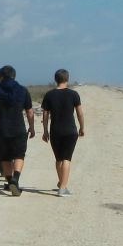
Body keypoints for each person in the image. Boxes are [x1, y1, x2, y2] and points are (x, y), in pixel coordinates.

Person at [0, 65, 35, 196]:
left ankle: (9, 182)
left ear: (1, 77)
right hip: (19, 128)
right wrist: (32, 127)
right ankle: (15, 180)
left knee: (5, 156)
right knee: (19, 155)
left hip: (1, 129)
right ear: (14, 76)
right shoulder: (23, 90)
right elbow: (29, 111)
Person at [41, 68, 85, 196]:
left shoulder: (49, 95)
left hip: (55, 130)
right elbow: (80, 113)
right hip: (70, 130)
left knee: (59, 159)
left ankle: (61, 182)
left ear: (55, 79)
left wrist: (45, 131)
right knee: (66, 158)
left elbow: (45, 115)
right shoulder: (74, 94)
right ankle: (63, 188)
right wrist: (82, 127)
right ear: (67, 79)